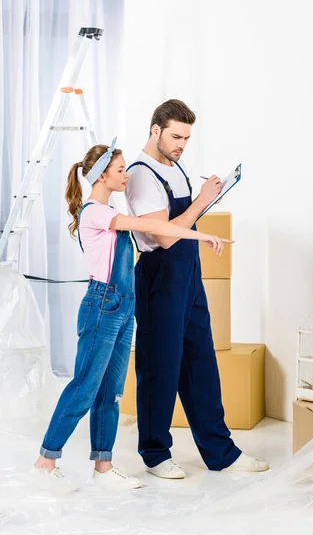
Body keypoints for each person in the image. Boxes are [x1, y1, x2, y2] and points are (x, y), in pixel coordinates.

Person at [31, 138, 230, 493]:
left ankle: (103, 467)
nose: (127, 176)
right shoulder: (96, 211)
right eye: (121, 171)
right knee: (84, 387)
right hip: (102, 306)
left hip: (123, 307)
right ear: (102, 176)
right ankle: (46, 461)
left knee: (111, 393)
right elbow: (156, 229)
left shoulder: (109, 211)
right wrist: (200, 235)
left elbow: (156, 232)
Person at [126, 100, 269, 479]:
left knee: (201, 363)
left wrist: (209, 200)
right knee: (160, 366)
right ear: (155, 129)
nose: (181, 144)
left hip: (189, 274)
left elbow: (183, 224)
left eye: (187, 138)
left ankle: (221, 452)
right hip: (160, 275)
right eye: (175, 136)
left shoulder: (174, 166)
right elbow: (165, 238)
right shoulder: (141, 176)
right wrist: (204, 201)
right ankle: (155, 454)